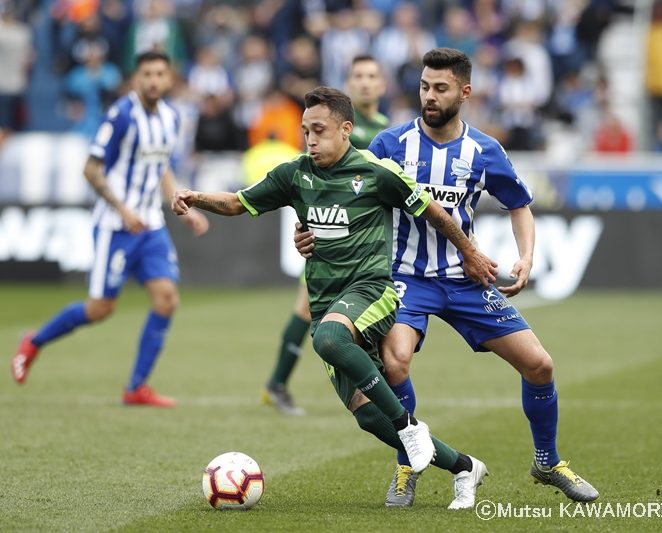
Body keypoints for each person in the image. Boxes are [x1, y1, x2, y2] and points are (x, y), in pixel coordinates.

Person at [295, 48, 599, 507]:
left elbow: (520, 205)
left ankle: (547, 461)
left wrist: (526, 256)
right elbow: (346, 198)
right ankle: (406, 463)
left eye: (440, 88)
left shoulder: (484, 150)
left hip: (465, 278)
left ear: (465, 91)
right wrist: (311, 235)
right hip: (403, 279)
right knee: (394, 362)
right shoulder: (391, 145)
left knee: (540, 365)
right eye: (423, 87)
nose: (429, 96)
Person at [172, 86, 495, 509]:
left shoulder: (377, 173)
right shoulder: (295, 174)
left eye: (319, 130)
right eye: (305, 131)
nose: (310, 140)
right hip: (327, 300)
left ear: (346, 130)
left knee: (326, 339)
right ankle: (464, 467)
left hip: (372, 291)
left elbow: (433, 211)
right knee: (368, 416)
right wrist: (196, 196)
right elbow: (238, 203)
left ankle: (409, 428)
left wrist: (469, 252)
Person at [11, 50, 209, 407]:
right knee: (101, 308)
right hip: (115, 227)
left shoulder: (170, 117)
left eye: (159, 74)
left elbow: (161, 165)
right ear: (136, 78)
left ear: (169, 79)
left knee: (166, 299)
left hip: (150, 225)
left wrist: (182, 207)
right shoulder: (120, 115)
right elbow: (91, 168)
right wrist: (123, 209)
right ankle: (34, 341)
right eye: (146, 73)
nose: (152, 80)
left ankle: (136, 387)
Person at [261, 55, 389, 415]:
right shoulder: (332, 126)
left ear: (382, 85)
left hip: (367, 242)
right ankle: (278, 383)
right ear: (349, 84)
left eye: (372, 75)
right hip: (330, 238)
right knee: (306, 307)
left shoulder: (385, 130)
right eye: (358, 75)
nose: (365, 82)